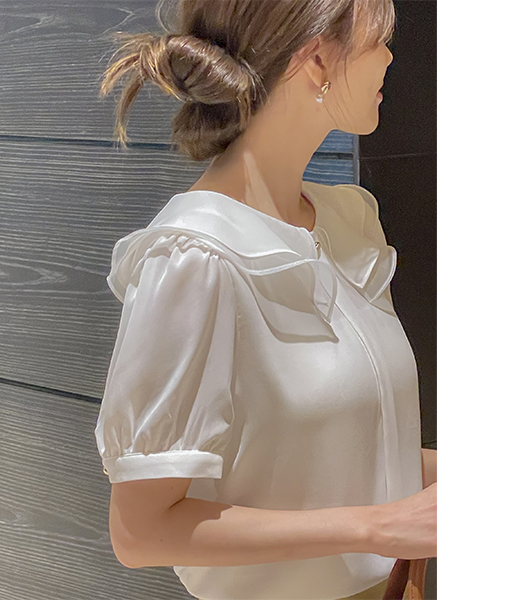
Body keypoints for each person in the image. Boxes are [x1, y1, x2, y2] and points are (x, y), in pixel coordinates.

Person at [93, 1, 437, 599]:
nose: (389, 58)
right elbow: (140, 532)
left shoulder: (347, 221)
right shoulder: (196, 258)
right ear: (317, 59)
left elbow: (348, 453)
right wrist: (378, 528)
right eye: (378, 40)